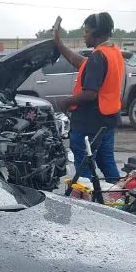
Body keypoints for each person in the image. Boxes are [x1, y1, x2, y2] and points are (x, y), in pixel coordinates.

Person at [53, 13, 125, 183]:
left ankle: (88, 204)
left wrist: (67, 102)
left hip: (89, 125)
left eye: (86, 31)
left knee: (84, 168)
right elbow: (80, 62)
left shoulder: (98, 57)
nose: (84, 35)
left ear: (96, 32)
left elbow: (90, 93)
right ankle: (120, 198)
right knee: (107, 163)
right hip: (107, 121)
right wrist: (59, 44)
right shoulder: (113, 51)